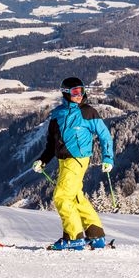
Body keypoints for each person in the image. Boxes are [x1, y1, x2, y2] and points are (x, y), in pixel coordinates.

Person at [32, 77, 114, 250]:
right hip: (64, 161)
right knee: (76, 197)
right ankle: (96, 235)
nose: (80, 95)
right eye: (75, 91)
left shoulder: (88, 112)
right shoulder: (57, 115)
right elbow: (51, 144)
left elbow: (104, 135)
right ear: (66, 93)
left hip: (78, 159)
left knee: (61, 196)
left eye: (81, 91)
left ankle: (73, 237)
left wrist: (108, 158)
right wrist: (43, 161)